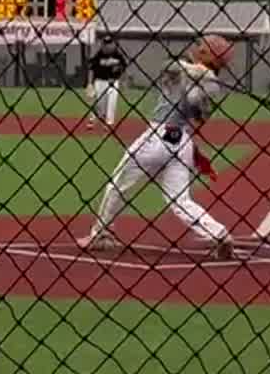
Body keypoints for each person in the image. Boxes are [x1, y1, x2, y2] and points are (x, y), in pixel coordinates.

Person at [76, 36, 236, 260]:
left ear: (210, 55)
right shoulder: (203, 80)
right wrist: (200, 73)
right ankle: (218, 233)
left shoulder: (207, 84)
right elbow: (170, 68)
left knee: (117, 185)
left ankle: (99, 234)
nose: (196, 48)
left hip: (158, 136)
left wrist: (201, 78)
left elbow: (187, 97)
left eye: (202, 48)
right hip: (181, 143)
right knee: (180, 200)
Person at [86, 37, 129, 129]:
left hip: (113, 82)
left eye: (109, 43)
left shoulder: (118, 55)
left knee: (112, 102)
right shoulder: (98, 55)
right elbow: (91, 70)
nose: (107, 46)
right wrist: (90, 83)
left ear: (113, 44)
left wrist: (124, 82)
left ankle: (108, 123)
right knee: (99, 103)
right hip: (100, 82)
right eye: (105, 44)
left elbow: (124, 69)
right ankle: (96, 118)